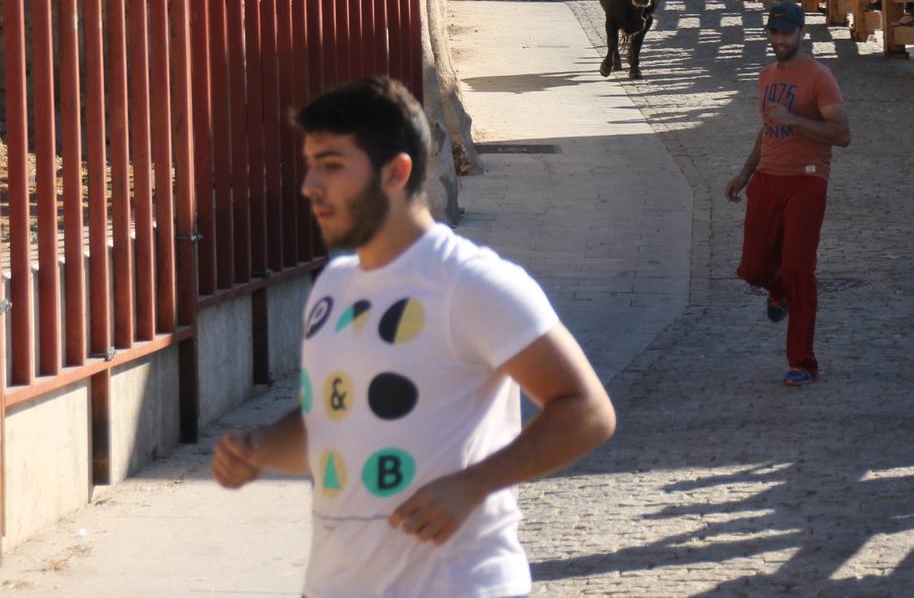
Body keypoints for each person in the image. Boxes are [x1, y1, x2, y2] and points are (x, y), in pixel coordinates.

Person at [211, 76, 616, 597]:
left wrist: (473, 485)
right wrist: (260, 448)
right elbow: (332, 428)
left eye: (332, 165)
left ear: (396, 172)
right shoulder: (332, 287)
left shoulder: (471, 283)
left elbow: (587, 411)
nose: (309, 184)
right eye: (310, 163)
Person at [725, 1, 851, 387]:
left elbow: (842, 135)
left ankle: (802, 362)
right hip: (767, 179)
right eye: (774, 32)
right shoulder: (766, 76)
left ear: (801, 33)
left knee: (799, 270)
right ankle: (777, 291)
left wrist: (795, 119)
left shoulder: (819, 76)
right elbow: (767, 128)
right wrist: (745, 173)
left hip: (807, 180)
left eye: (787, 32)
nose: (780, 39)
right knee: (752, 269)